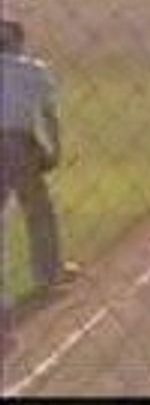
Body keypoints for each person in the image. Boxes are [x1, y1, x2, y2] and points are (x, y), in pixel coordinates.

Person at [1, 20, 79, 302]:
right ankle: (48, 274)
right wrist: (54, 149)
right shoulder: (33, 69)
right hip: (18, 145)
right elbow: (48, 114)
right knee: (39, 212)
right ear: (20, 43)